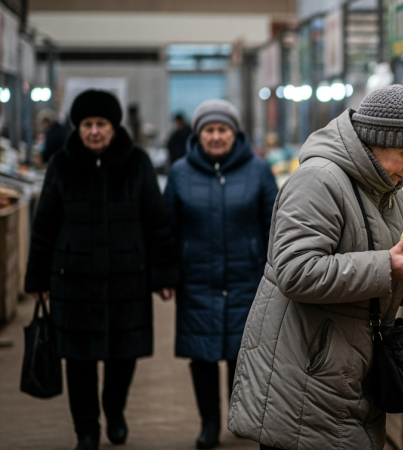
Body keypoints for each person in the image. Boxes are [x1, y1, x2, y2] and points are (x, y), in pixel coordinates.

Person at [227, 84, 403, 450]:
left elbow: (379, 275)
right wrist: (389, 267)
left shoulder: (388, 192)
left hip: (349, 371)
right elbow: (296, 272)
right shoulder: (318, 180)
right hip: (305, 372)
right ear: (376, 139)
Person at [24, 90, 179, 450]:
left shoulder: (137, 163)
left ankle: (115, 408)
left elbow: (157, 221)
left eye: (101, 124)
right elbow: (44, 224)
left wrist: (165, 275)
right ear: (78, 128)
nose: (94, 131)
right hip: (72, 278)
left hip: (128, 277)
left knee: (123, 356)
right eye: (87, 125)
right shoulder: (62, 165)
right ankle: (87, 430)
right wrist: (37, 277)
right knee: (78, 361)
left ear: (114, 127)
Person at [164, 99, 278, 449]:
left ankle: (240, 416)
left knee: (241, 353)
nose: (216, 136)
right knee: (202, 355)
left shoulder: (258, 170)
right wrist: (167, 274)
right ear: (198, 135)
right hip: (197, 278)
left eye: (222, 130)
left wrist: (273, 271)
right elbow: (168, 228)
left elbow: (274, 225)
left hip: (248, 278)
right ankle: (208, 424)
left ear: (235, 133)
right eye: (209, 130)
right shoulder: (180, 172)